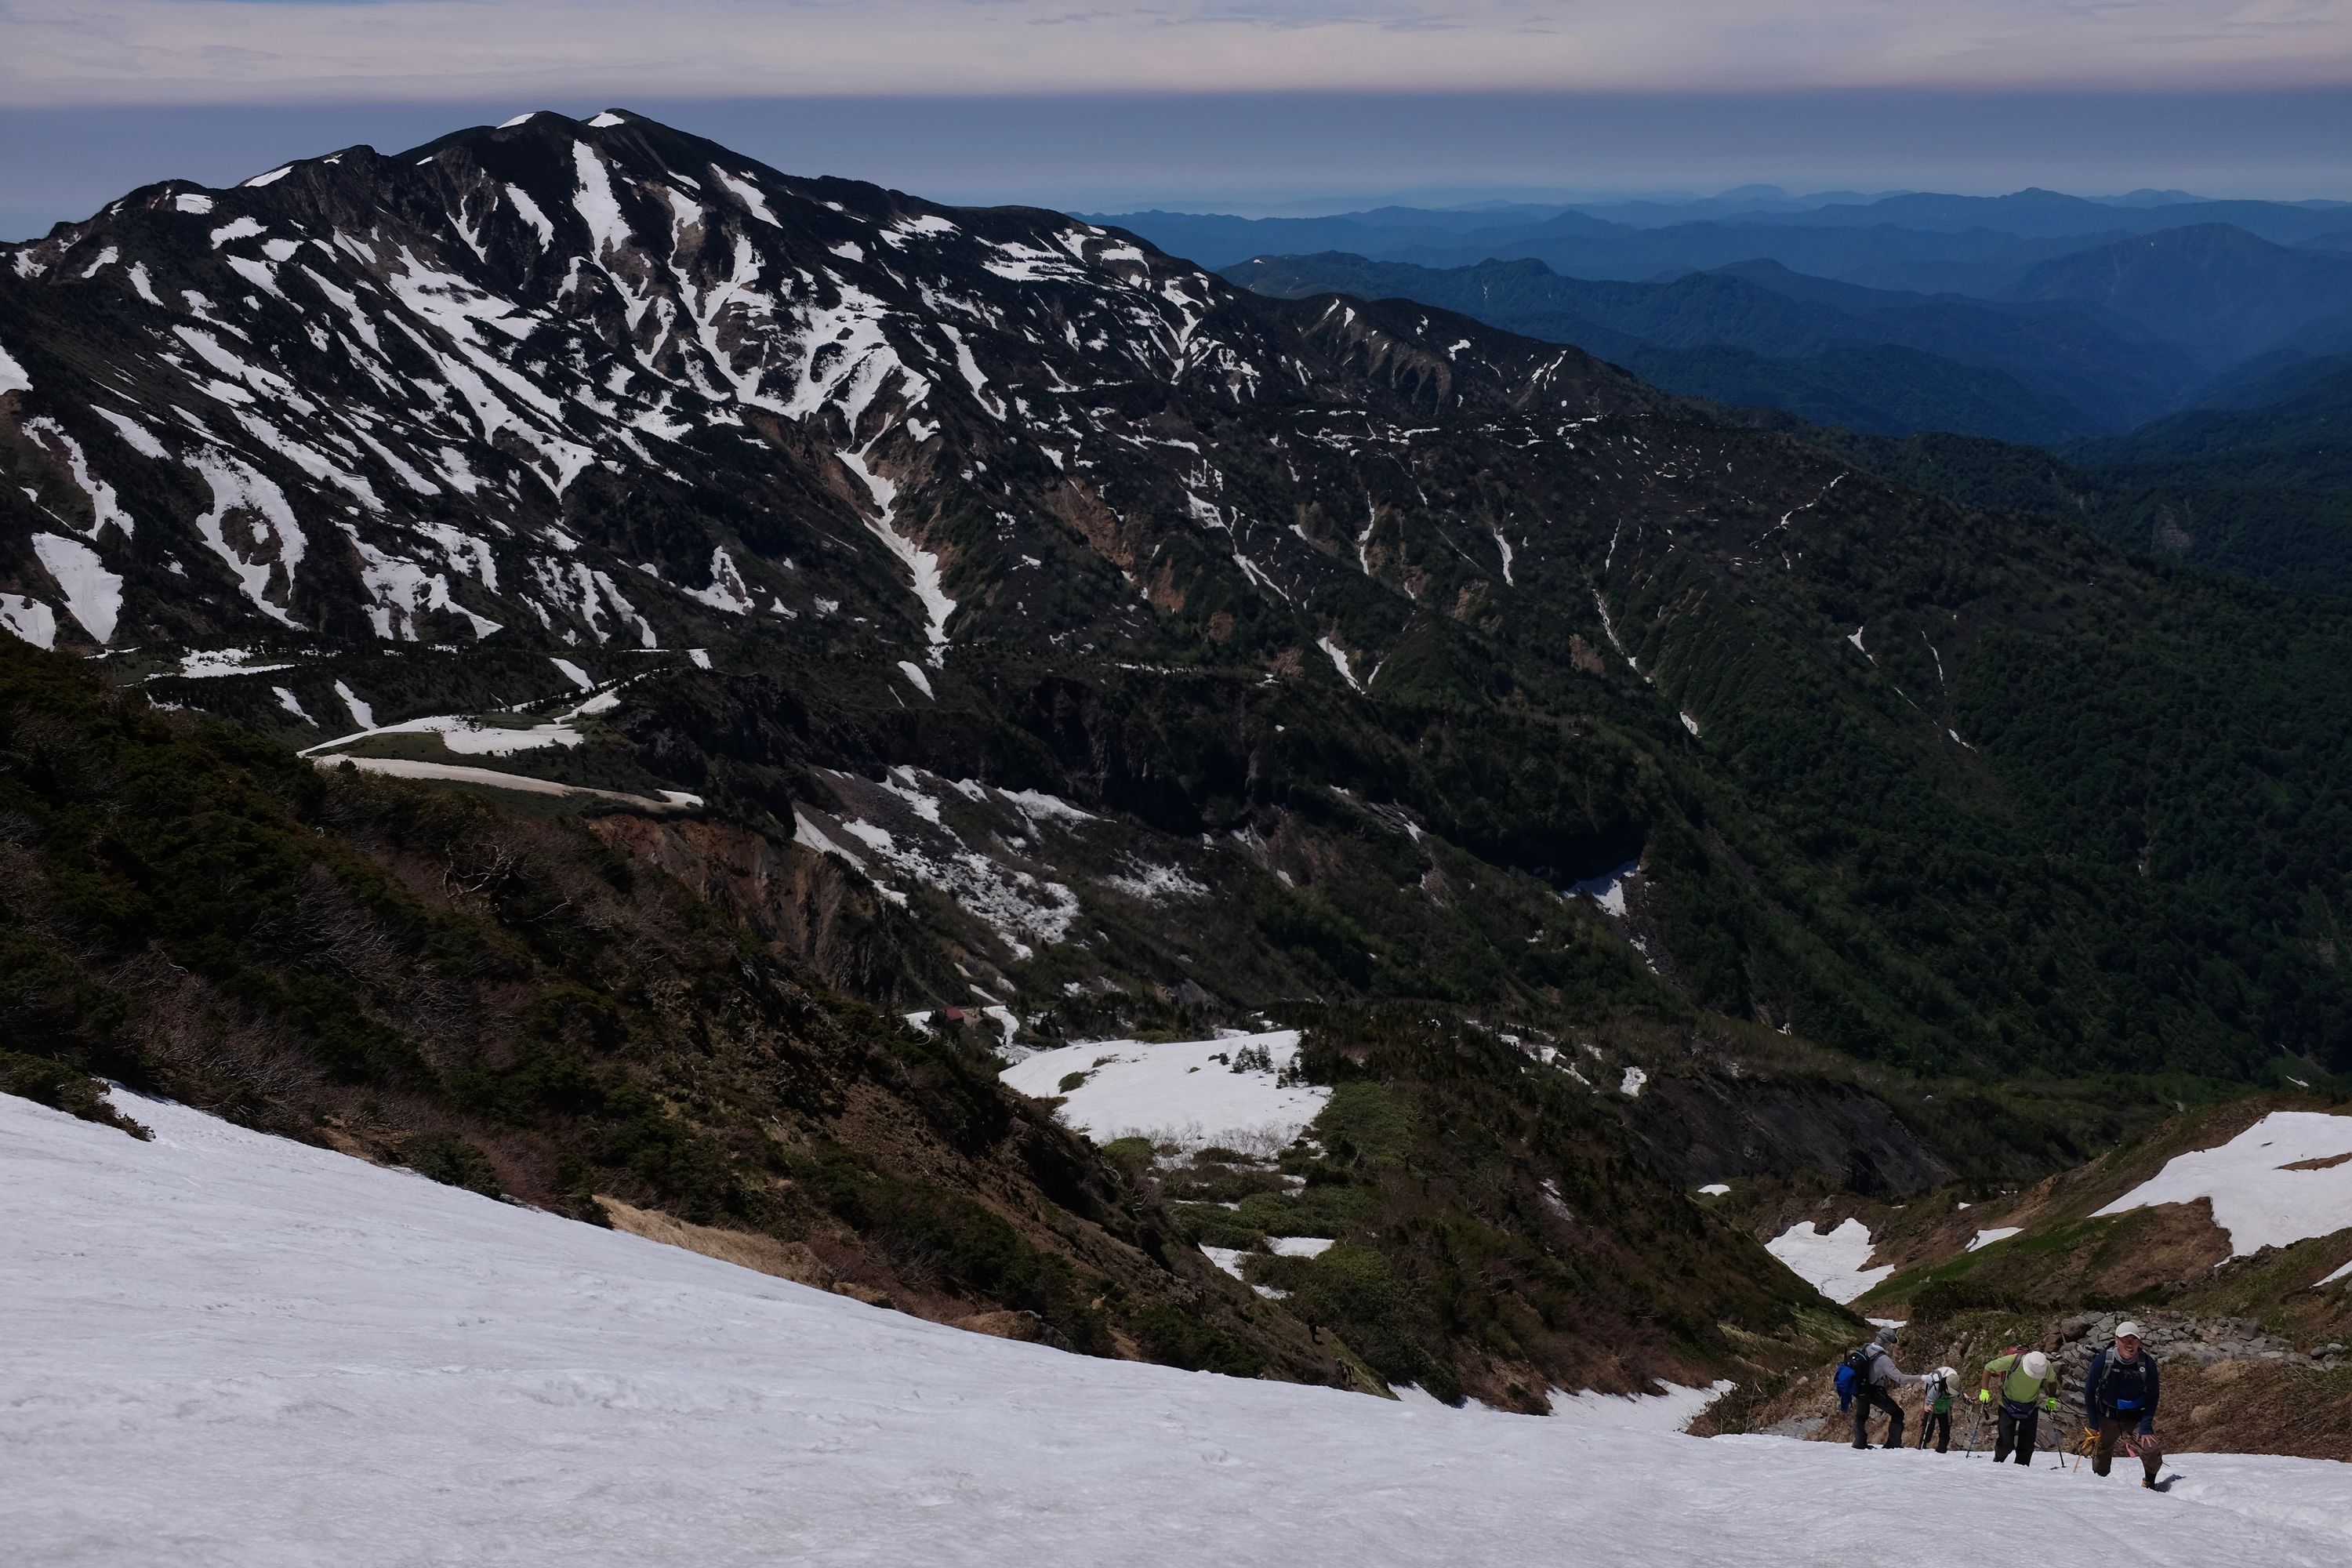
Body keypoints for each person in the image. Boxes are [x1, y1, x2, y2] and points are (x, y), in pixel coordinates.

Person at [2085, 1320, 2164, 1488]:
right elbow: (2090, 1391)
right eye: (2125, 1339)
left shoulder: (2147, 1363)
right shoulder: (2103, 1361)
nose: (2129, 1344)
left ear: (2139, 1342)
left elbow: (2153, 1394)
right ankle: (2101, 1484)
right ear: (2116, 1340)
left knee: (2151, 1449)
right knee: (2101, 1453)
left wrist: (2146, 1426)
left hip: (2137, 1416)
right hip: (2107, 1415)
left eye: (2133, 1340)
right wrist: (2093, 1424)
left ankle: (2150, 1483)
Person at [1977, 1347, 2060, 1465]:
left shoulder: (2045, 1366)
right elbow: (1989, 1368)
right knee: (2005, 1443)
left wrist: (2051, 1399)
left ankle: (2021, 1471)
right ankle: (1997, 1463)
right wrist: (1984, 1391)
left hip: (2031, 1406)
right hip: (2007, 1405)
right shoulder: (2014, 1360)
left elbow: (2053, 1381)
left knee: (2027, 1445)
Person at [1851, 1325, 1925, 1450]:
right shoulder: (1883, 1359)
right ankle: (1893, 1444)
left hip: (1859, 1388)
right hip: (1873, 1391)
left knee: (1861, 1415)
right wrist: (1922, 1377)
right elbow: (1900, 1378)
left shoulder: (1865, 1348)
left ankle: (1859, 1442)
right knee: (1897, 1413)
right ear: (1887, 1343)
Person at [1918, 1365, 1958, 1453]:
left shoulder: (1955, 1384)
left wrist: (1966, 1398)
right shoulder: (1936, 1387)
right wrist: (1927, 1406)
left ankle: (1942, 1451)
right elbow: (1928, 1400)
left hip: (1945, 1409)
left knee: (1945, 1432)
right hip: (1933, 1408)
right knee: (1927, 1431)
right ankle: (1922, 1447)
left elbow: (1960, 1394)